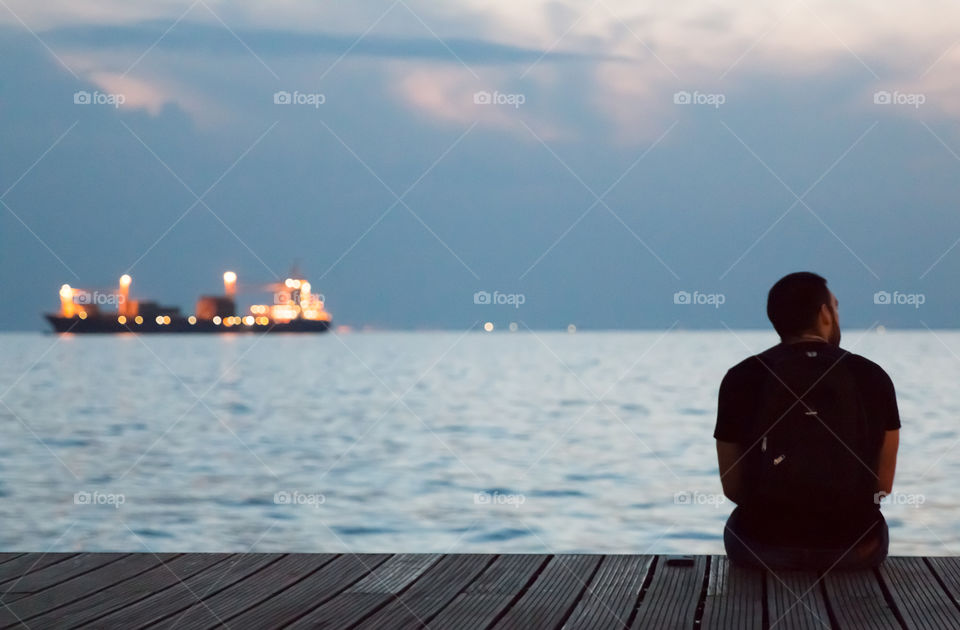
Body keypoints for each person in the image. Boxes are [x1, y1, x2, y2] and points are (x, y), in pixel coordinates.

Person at [715, 272, 900, 570]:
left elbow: (733, 488)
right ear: (825, 313)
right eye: (835, 307)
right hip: (855, 550)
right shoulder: (871, 376)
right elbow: (882, 484)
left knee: (739, 522)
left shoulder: (742, 377)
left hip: (763, 550)